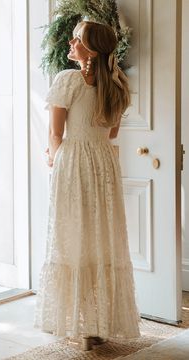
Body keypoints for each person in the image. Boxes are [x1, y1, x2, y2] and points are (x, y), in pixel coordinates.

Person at [34, 20, 141, 350]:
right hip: (103, 165)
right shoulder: (118, 85)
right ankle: (97, 326)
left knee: (74, 240)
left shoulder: (67, 80)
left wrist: (52, 158)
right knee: (100, 240)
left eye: (77, 39)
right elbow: (111, 134)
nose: (71, 42)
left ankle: (80, 327)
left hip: (74, 164)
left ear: (91, 50)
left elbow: (55, 134)